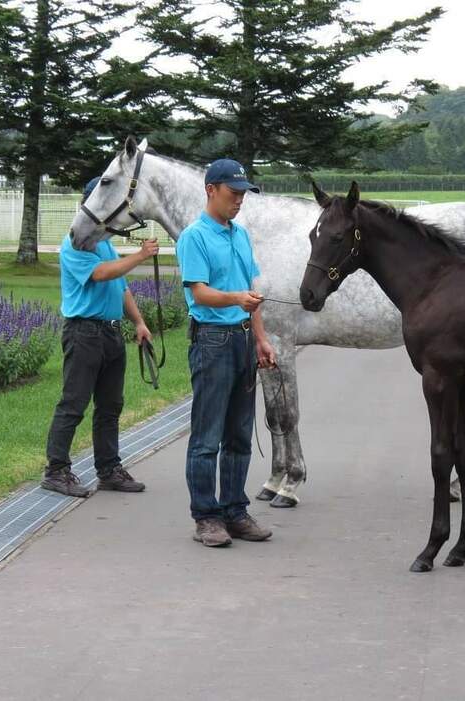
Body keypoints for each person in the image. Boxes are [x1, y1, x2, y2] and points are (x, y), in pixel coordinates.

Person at [177, 159, 277, 547]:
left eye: (243, 195)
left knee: (239, 432)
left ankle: (235, 510)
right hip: (213, 341)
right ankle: (206, 516)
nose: (239, 201)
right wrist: (235, 299)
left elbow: (250, 291)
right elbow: (198, 292)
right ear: (211, 190)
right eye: (233, 194)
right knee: (207, 435)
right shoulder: (194, 237)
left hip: (241, 339)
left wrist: (261, 339)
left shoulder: (241, 235)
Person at [41, 176, 160, 498]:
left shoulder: (104, 243)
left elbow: (120, 287)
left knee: (110, 406)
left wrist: (139, 322)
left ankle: (108, 470)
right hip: (84, 333)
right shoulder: (75, 244)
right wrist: (139, 257)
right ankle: (56, 470)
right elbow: (101, 274)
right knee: (73, 403)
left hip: (109, 332)